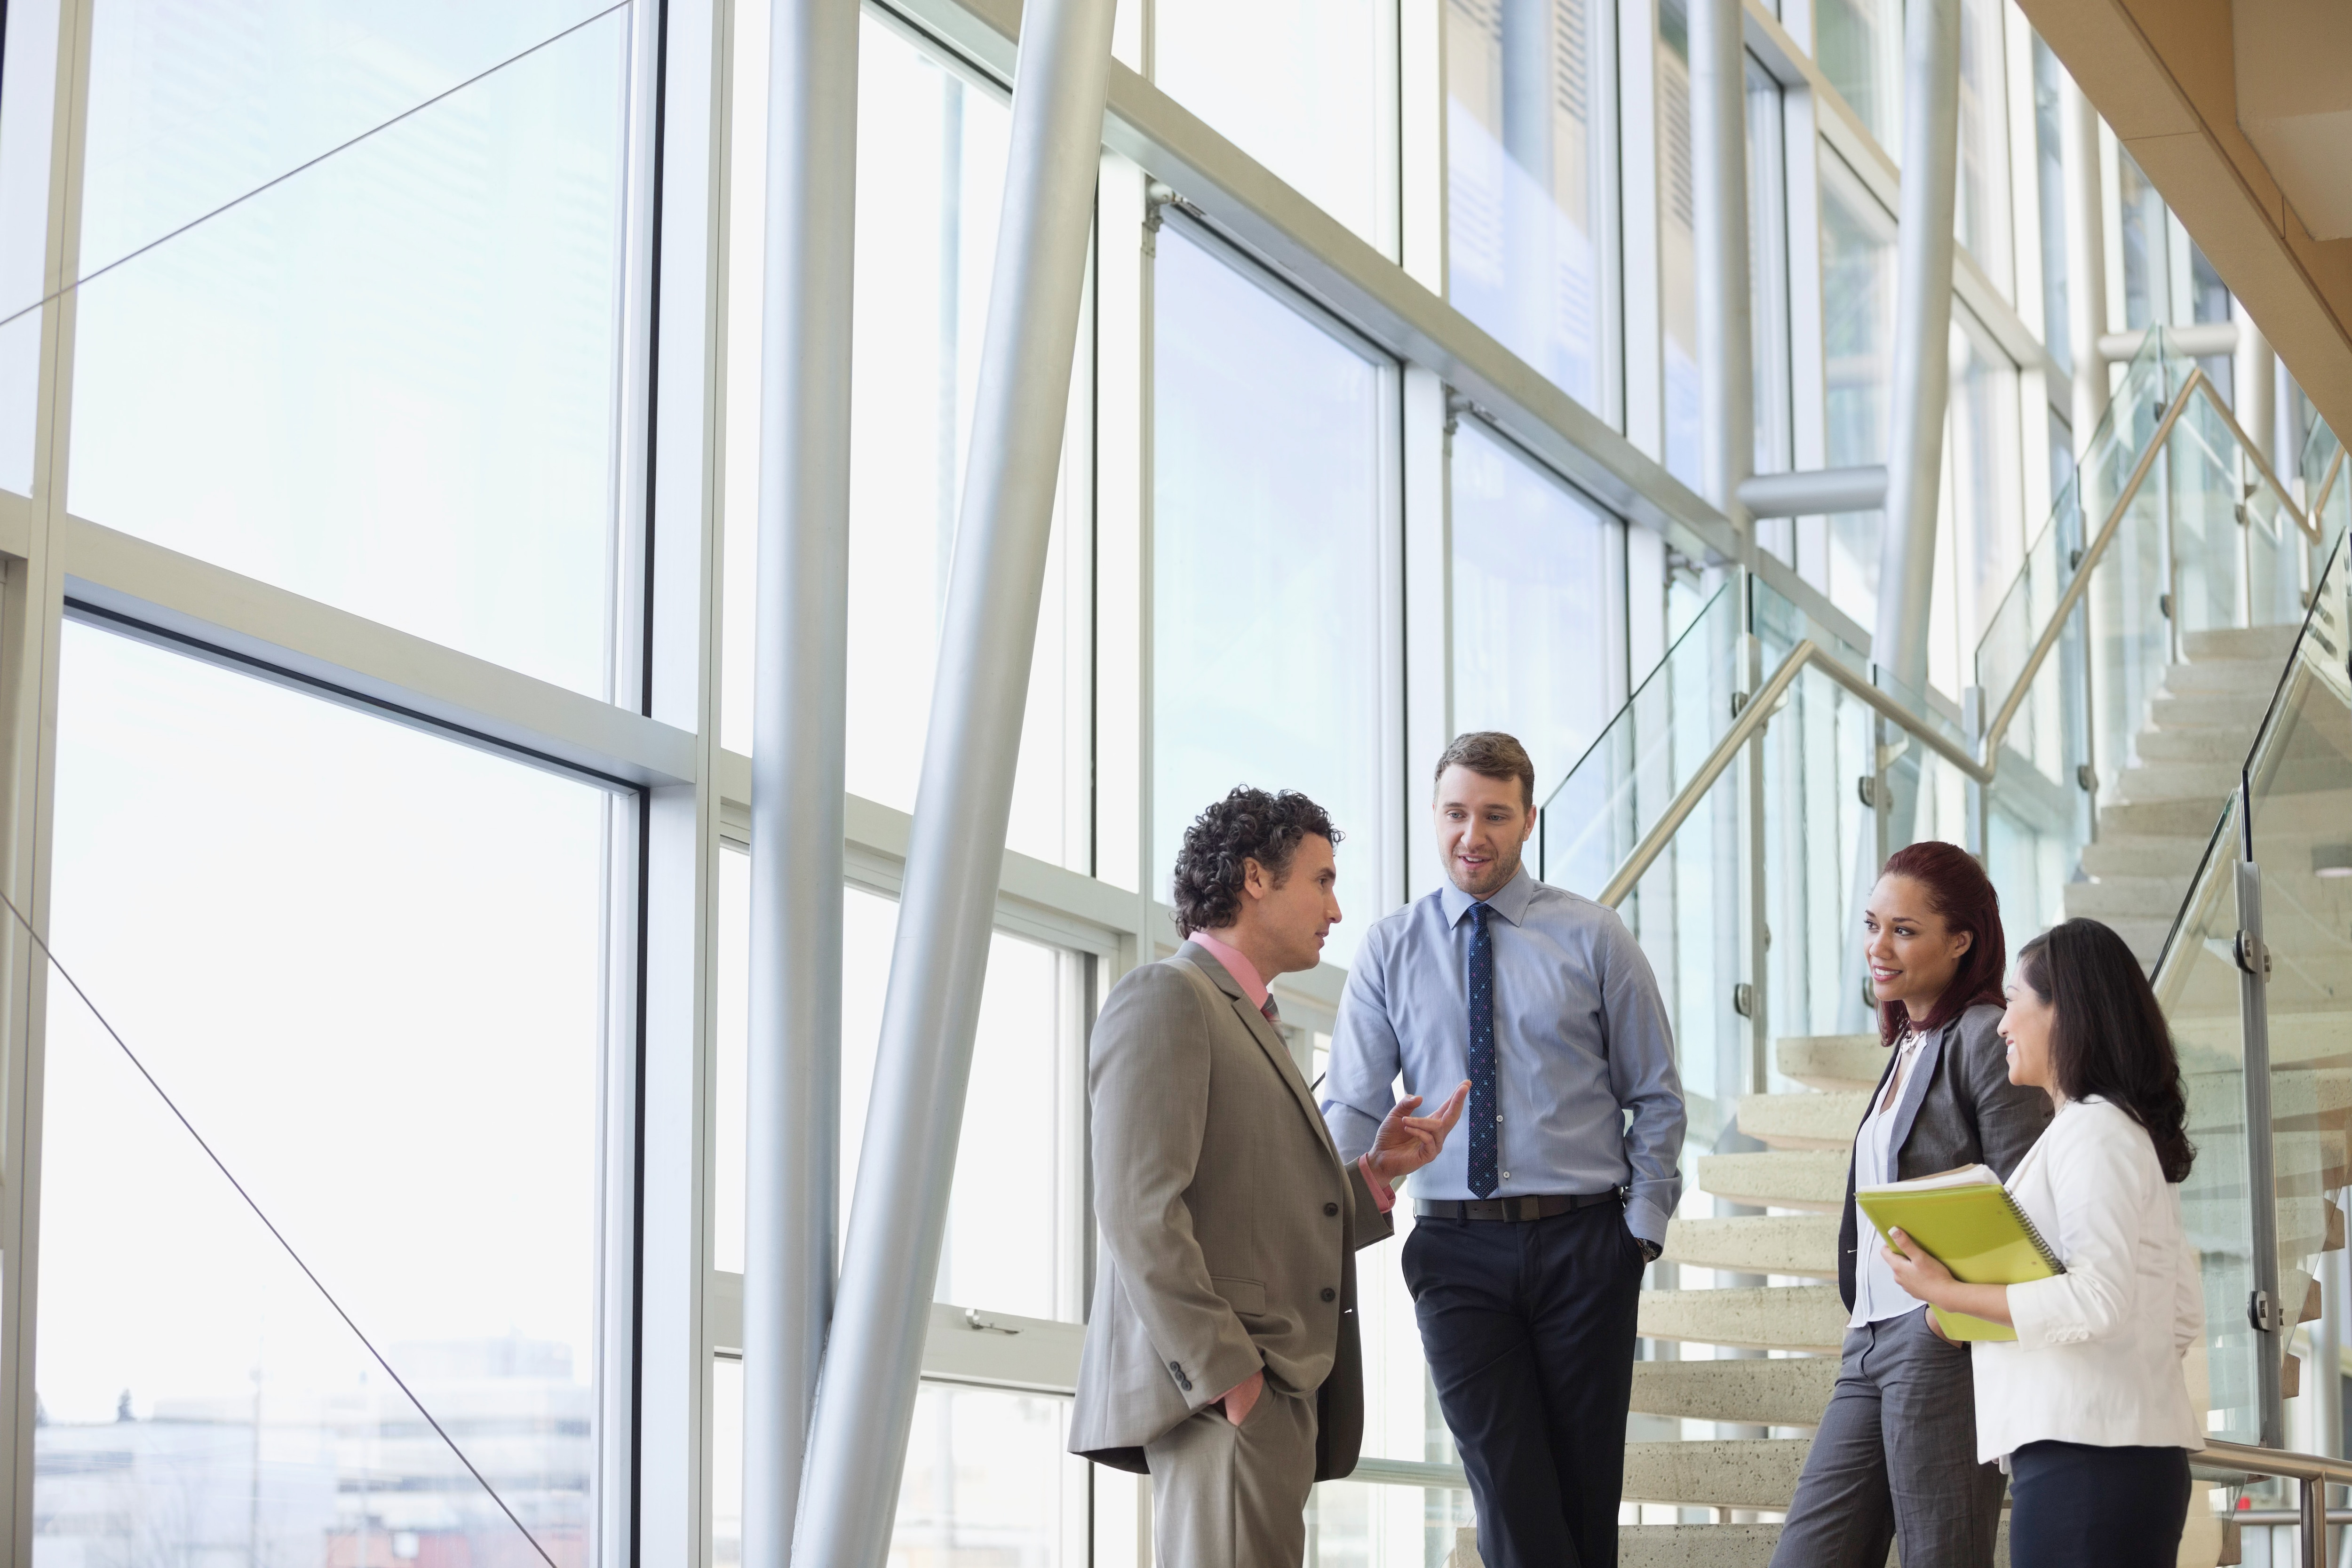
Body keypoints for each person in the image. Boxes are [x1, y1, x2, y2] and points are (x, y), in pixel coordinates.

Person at [1070, 786, 1469, 1568]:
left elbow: (1270, 1214)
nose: (1337, 908)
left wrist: (1378, 1172)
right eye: (1321, 880)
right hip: (1231, 1394)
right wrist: (1230, 1379)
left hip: (1275, 1393)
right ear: (1256, 877)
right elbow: (1137, 1211)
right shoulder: (1168, 997)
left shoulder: (1248, 1020)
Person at [1319, 731, 1685, 1568]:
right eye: (1455, 813)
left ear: (1527, 820)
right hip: (1454, 1249)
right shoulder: (1389, 947)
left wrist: (1640, 1232)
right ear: (1435, 816)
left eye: (1492, 815)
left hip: (1587, 1243)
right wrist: (1330, 1213)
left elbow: (1656, 1096)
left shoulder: (1595, 937)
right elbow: (1349, 1105)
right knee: (1508, 1478)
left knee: (1583, 1490)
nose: (1470, 835)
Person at [1882, 917, 2203, 1568]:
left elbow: (2097, 1300)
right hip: (2106, 1452)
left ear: (2066, 1013)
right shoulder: (2106, 1130)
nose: (2001, 1023)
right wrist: (1968, 1310)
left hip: (2088, 1458)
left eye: (2015, 1002)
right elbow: (2178, 1311)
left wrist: (1952, 1291)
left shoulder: (2094, 1130)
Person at [1770, 841, 2053, 1568]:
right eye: (1873, 925)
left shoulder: (1984, 1039)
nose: (1878, 947)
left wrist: (1946, 1316)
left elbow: (2034, 1202)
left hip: (1938, 1342)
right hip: (1867, 1343)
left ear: (1961, 941)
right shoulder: (1908, 1043)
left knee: (1943, 1556)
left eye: (1904, 930)